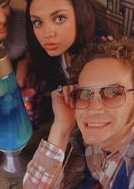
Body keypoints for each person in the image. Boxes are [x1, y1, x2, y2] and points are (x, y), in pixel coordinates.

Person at [23, 38, 134, 188]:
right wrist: (62, 125)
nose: (93, 108)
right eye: (85, 93)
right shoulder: (86, 142)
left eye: (112, 93)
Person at [25, 0, 115, 119]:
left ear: (79, 14)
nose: (47, 33)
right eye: (38, 22)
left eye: (59, 18)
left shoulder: (101, 55)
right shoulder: (59, 46)